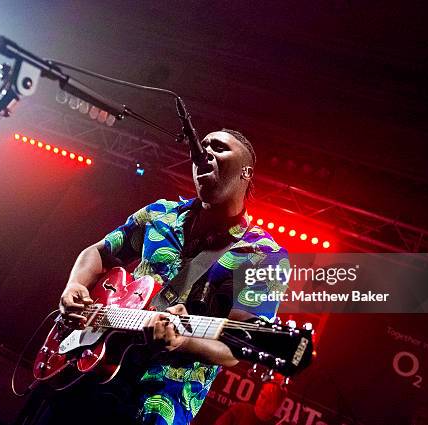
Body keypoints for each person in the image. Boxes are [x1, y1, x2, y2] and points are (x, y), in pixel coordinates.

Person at [52, 129, 289, 425]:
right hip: (86, 372)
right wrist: (75, 283)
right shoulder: (160, 213)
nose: (204, 154)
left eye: (218, 148)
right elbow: (98, 252)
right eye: (201, 148)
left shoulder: (264, 254)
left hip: (160, 400)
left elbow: (237, 346)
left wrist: (181, 341)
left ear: (246, 172)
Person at [213, 380, 288, 425]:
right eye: (262, 396)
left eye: (269, 401)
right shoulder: (239, 410)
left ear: (277, 406)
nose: (263, 403)